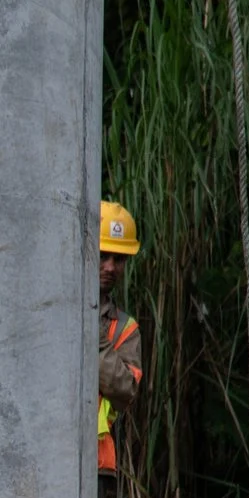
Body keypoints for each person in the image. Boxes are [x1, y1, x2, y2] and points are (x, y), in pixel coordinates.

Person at [97, 200, 143, 478]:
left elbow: (126, 389)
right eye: (103, 255)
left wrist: (95, 337)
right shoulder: (53, 309)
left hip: (96, 460)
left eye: (119, 259)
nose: (110, 267)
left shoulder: (125, 327)